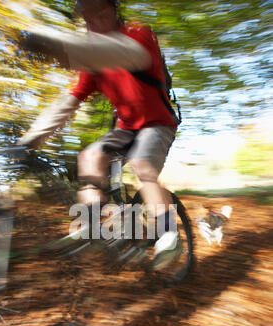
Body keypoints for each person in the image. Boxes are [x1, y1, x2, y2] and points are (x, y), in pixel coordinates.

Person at [18, 0, 182, 269]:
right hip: (126, 128)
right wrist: (29, 140)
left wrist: (59, 46)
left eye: (101, 12)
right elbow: (67, 104)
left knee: (142, 164)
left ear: (115, 12)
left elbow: (121, 53)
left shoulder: (138, 34)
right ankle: (91, 226)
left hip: (157, 124)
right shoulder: (91, 65)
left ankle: (168, 235)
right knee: (90, 157)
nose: (94, 20)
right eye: (88, 17)